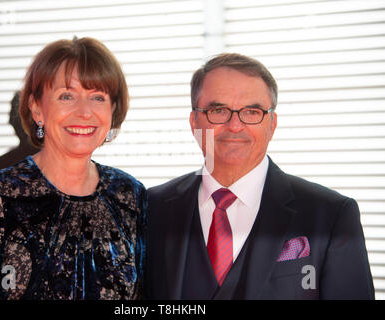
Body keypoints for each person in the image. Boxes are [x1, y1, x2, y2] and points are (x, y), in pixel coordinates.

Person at [145, 53, 374, 300]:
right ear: (194, 122)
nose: (234, 126)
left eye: (252, 112)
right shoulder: (151, 207)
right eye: (218, 110)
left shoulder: (331, 215)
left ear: (272, 124)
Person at [0, 37, 146, 300]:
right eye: (66, 96)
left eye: (98, 97)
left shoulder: (131, 197)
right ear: (37, 107)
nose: (84, 112)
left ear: (113, 109)